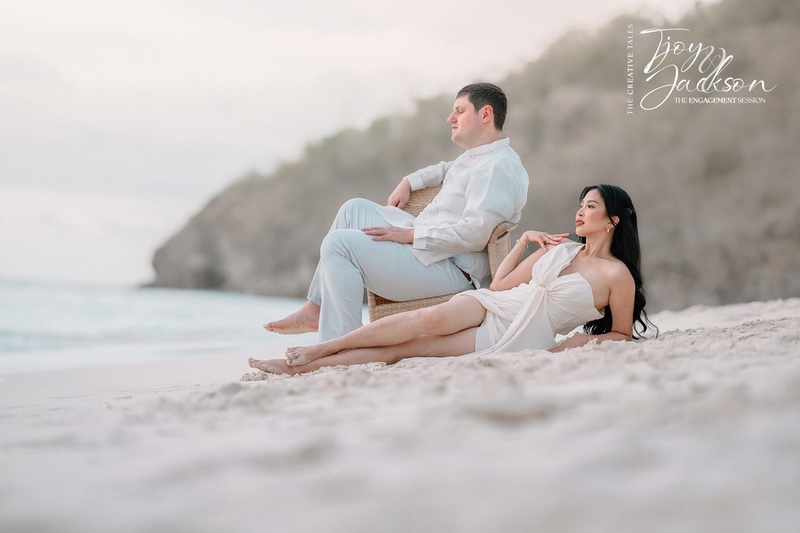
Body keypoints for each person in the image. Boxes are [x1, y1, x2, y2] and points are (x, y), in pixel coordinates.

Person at [249, 184, 656, 375]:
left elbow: (621, 333)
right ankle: (323, 349)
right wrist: (526, 241)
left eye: (590, 206)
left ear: (613, 220)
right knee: (424, 320)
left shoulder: (617, 276)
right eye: (580, 205)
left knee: (410, 349)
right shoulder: (560, 249)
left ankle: (298, 370)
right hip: (495, 303)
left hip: (520, 333)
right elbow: (499, 287)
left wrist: (577, 342)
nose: (580, 213)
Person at [264, 82, 529, 342]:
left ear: (485, 114)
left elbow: (475, 234)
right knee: (352, 209)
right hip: (430, 252)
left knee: (339, 244)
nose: (451, 118)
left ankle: (338, 344)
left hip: (453, 271)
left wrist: (412, 235)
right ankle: (315, 309)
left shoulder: (499, 167)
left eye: (459, 111)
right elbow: (444, 169)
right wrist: (409, 182)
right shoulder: (478, 157)